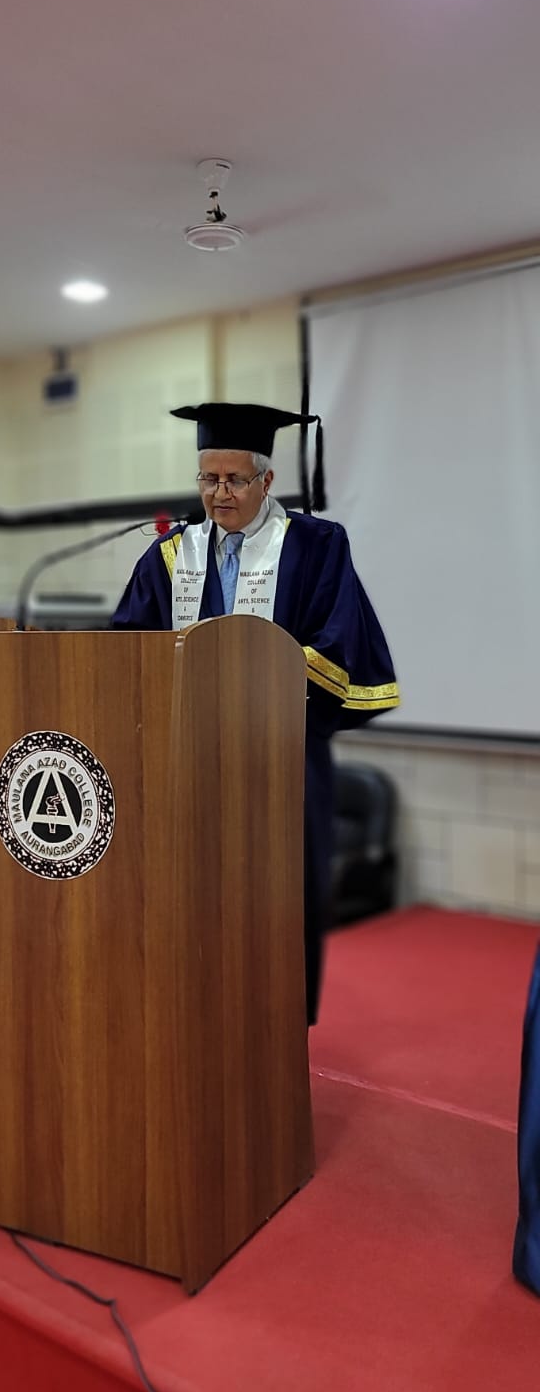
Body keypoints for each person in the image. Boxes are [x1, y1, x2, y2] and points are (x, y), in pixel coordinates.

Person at [112, 402, 399, 1025]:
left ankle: (275, 1037)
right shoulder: (170, 555)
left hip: (281, 761)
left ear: (266, 480)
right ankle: (192, 1022)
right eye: (208, 479)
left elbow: (339, 647)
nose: (219, 493)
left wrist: (256, 675)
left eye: (234, 480)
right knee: (189, 901)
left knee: (279, 903)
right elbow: (126, 650)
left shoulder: (316, 546)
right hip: (187, 765)